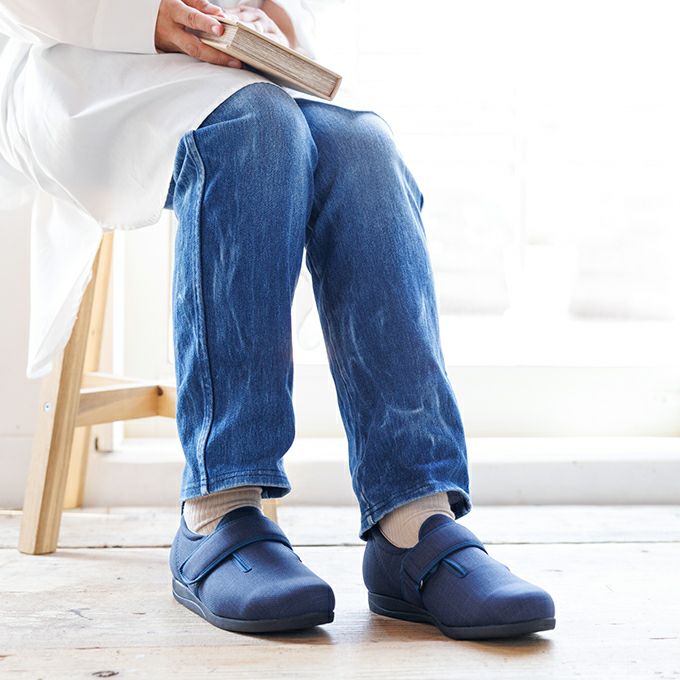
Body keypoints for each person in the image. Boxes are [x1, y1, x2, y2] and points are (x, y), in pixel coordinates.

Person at [0, 0, 556, 640]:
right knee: (255, 128)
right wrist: (146, 17)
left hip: (225, 69)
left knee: (362, 146)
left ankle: (414, 517)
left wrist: (269, 23)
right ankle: (217, 509)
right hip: (78, 65)